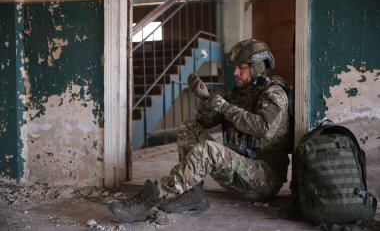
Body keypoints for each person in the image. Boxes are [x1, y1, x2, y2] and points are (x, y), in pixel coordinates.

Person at [108, 38, 292, 223]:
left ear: (257, 67)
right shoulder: (239, 94)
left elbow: (264, 128)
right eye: (235, 67)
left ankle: (148, 199)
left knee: (209, 150)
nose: (235, 72)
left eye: (241, 67)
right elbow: (204, 121)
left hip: (263, 179)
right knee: (189, 127)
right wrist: (205, 98)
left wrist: (224, 106)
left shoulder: (274, 93)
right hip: (240, 168)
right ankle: (192, 194)